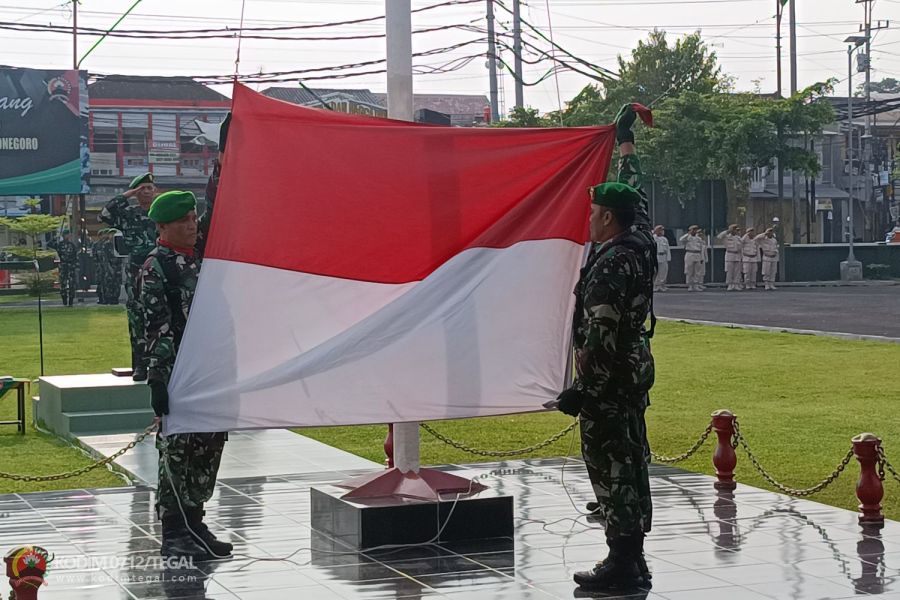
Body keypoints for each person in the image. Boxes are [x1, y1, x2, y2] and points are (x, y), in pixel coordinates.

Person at [556, 103, 655, 591]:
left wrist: (584, 389)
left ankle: (622, 562)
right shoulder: (641, 240)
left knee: (612, 467)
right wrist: (626, 145)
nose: (589, 220)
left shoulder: (613, 263)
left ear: (609, 218)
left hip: (609, 380)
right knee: (632, 461)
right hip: (633, 372)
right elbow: (638, 194)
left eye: (595, 213)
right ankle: (634, 559)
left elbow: (601, 333)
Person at [140, 190, 231, 560]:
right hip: (180, 373)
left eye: (193, 218)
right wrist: (158, 381)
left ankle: (195, 522)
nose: (192, 225)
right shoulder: (157, 267)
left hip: (213, 370)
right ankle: (174, 531)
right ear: (163, 226)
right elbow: (156, 328)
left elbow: (219, 200)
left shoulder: (203, 255)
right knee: (178, 453)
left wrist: (223, 164)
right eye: (183, 221)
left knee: (209, 446)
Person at [100, 173, 159, 380]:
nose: (146, 192)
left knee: (162, 316)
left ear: (155, 191)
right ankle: (140, 365)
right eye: (142, 188)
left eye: (149, 188)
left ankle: (160, 363)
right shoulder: (128, 215)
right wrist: (127, 195)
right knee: (137, 318)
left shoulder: (162, 212)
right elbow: (105, 214)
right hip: (136, 270)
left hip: (160, 267)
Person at [53, 233, 78, 307]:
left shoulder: (72, 245)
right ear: (63, 236)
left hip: (71, 267)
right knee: (63, 284)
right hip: (63, 267)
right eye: (65, 235)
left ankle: (71, 301)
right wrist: (55, 239)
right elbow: (56, 251)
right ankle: (64, 300)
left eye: (68, 235)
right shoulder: (59, 245)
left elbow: (75, 256)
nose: (67, 236)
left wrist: (75, 265)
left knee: (71, 284)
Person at [717, 225, 743, 291]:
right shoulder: (726, 237)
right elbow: (719, 236)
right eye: (733, 229)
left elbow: (741, 246)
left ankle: (736, 284)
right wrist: (727, 231)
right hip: (730, 255)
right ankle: (730, 284)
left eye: (735, 229)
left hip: (737, 255)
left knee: (737, 271)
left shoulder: (738, 238)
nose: (735, 231)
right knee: (730, 271)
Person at [679, 225, 704, 291]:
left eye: (695, 230)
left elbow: (701, 249)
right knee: (689, 271)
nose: (694, 231)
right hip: (690, 253)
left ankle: (696, 285)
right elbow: (681, 239)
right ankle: (690, 285)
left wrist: (701, 258)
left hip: (697, 254)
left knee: (697, 271)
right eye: (693, 230)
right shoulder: (687, 237)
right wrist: (688, 234)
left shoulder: (698, 239)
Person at [652, 225, 670, 292]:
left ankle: (662, 285)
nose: (662, 231)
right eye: (660, 230)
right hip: (657, 256)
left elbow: (667, 249)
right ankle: (655, 286)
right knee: (657, 272)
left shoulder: (664, 239)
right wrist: (655, 233)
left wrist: (668, 258)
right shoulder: (653, 238)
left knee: (663, 272)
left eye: (662, 230)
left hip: (663, 256)